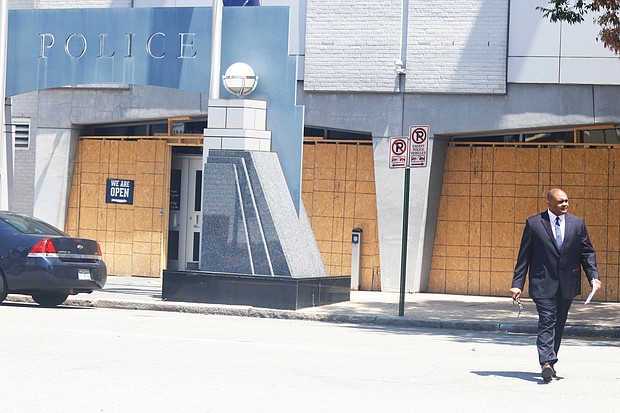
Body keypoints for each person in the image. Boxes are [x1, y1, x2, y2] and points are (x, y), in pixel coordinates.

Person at [510, 188, 602, 382]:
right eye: (560, 202)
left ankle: (550, 363)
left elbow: (587, 253)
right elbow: (524, 256)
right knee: (547, 321)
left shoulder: (577, 224)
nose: (565, 205)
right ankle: (545, 362)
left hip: (567, 283)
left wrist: (593, 276)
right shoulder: (534, 223)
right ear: (549, 203)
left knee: (558, 323)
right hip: (542, 282)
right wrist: (517, 284)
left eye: (567, 201)